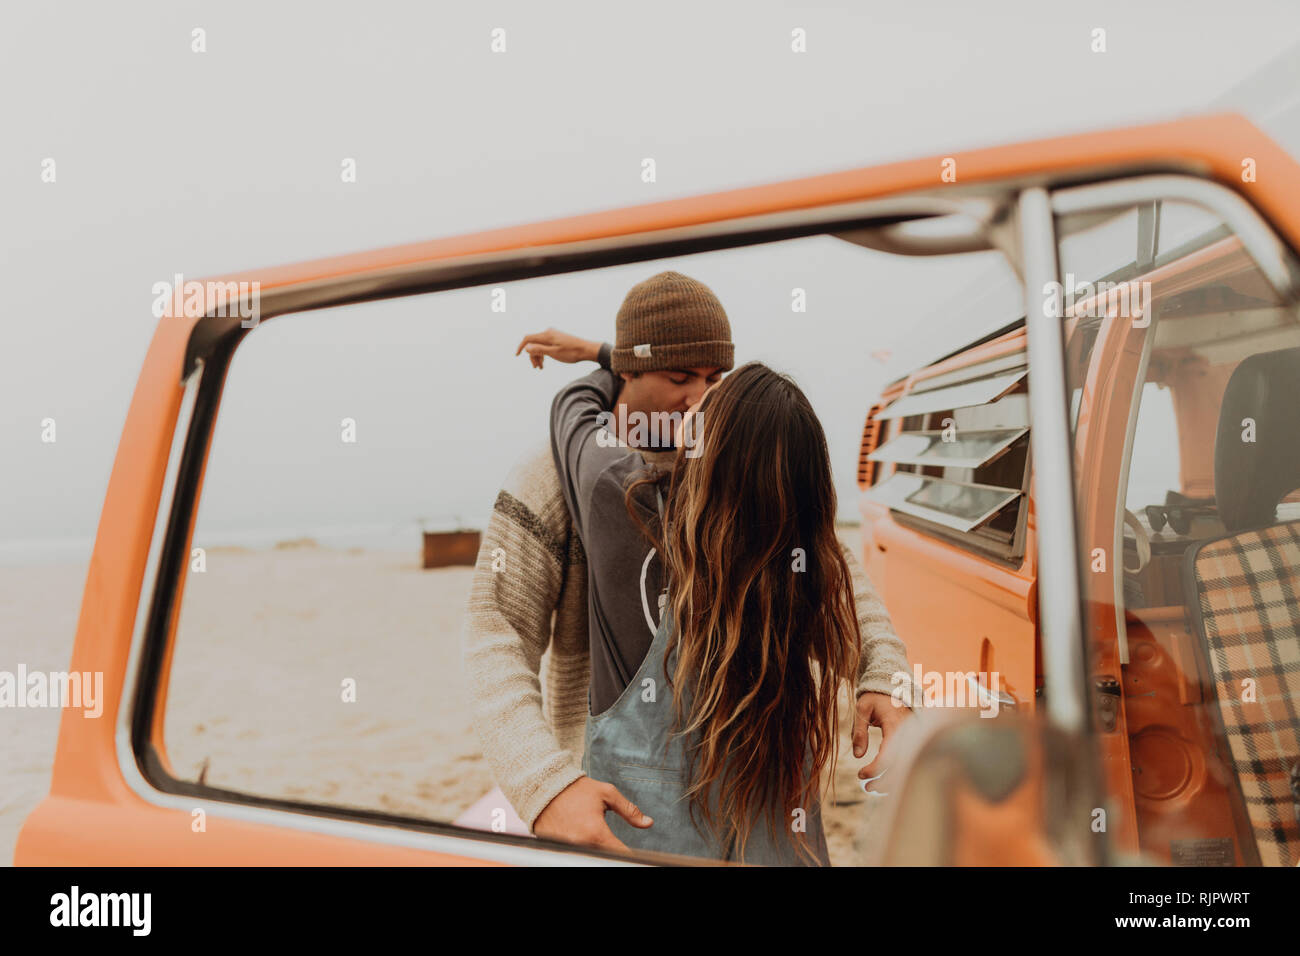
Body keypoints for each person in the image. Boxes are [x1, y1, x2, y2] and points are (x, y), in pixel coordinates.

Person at [461, 270, 912, 854]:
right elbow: (494, 635)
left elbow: (829, 570)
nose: (700, 397)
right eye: (679, 377)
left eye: (714, 377)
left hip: (766, 794)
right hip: (624, 798)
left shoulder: (742, 454)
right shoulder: (550, 476)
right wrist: (545, 786)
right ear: (626, 371)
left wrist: (882, 671)